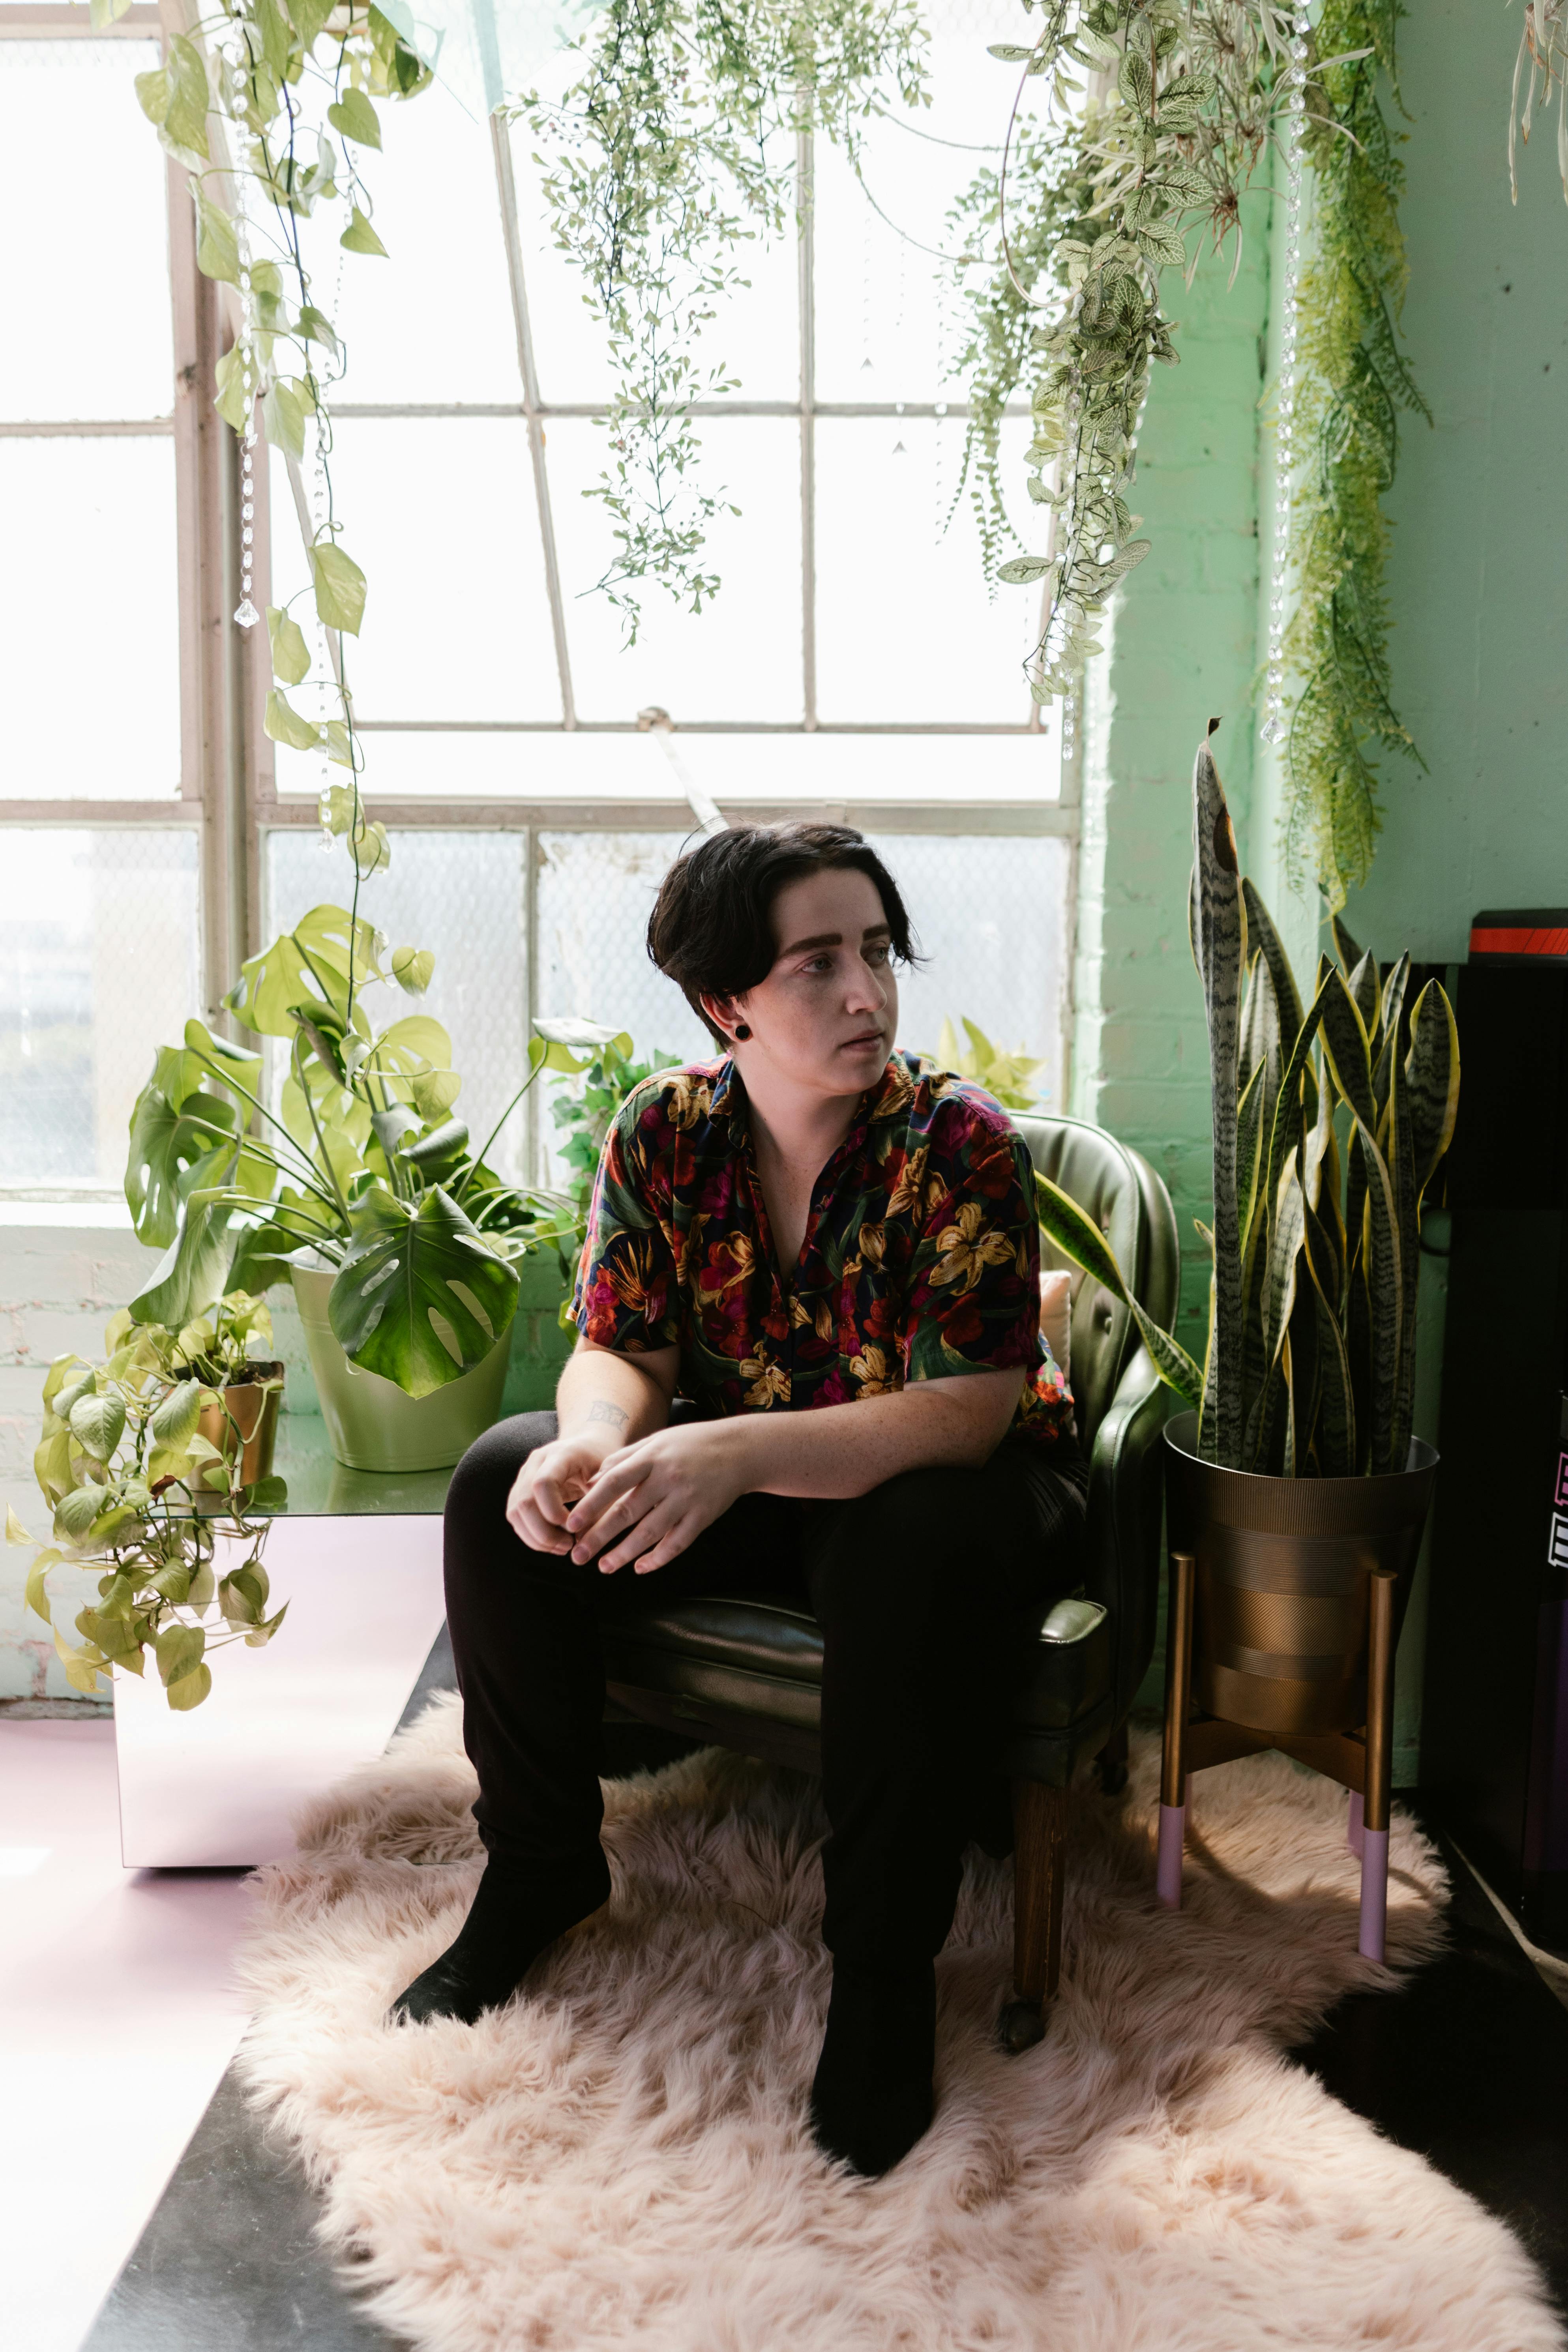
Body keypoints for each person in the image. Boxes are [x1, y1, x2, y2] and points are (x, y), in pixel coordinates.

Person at [392, 821, 1086, 2177]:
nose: (867, 994)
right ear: (727, 1003)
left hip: (966, 1495)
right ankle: (539, 1867)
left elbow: (965, 1414)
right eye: (817, 964)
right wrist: (592, 1442)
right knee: (496, 1484)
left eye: (876, 953)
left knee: (902, 1541)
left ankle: (881, 1974)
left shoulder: (960, 1145)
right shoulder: (664, 1133)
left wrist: (727, 1453)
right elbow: (622, 1348)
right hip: (771, 1482)